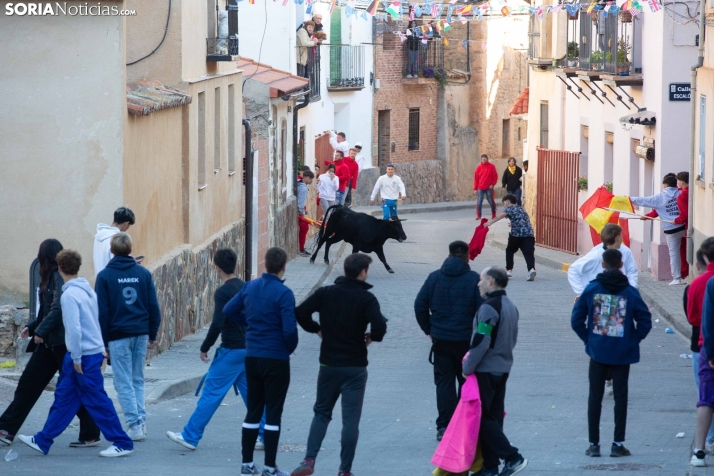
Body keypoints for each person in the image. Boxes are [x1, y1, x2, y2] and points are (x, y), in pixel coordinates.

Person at [17, 249, 134, 458]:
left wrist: (77, 358)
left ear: (59, 267)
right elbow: (95, 321)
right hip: (88, 354)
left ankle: (122, 442)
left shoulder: (69, 295)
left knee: (96, 401)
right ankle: (43, 440)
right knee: (64, 397)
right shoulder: (87, 290)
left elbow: (74, 330)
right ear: (77, 267)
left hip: (82, 356)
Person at [290, 254, 387, 476]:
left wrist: (317, 329)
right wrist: (371, 337)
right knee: (350, 420)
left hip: (329, 364)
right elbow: (380, 326)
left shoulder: (326, 293)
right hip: (355, 367)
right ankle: (344, 470)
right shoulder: (367, 299)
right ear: (362, 272)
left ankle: (309, 460)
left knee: (321, 413)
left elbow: (300, 311)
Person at [0, 240, 100, 448]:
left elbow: (58, 310)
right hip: (50, 344)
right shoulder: (51, 278)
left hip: (60, 344)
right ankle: (6, 429)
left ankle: (91, 433)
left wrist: (41, 331)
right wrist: (33, 326)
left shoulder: (57, 278)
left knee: (71, 389)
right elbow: (47, 310)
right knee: (29, 385)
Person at [166, 249, 266, 451]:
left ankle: (190, 436)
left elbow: (218, 323)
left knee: (211, 394)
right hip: (250, 348)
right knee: (252, 394)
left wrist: (204, 348)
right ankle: (265, 435)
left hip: (231, 350)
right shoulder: (247, 287)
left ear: (217, 268)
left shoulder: (222, 292)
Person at [571, 249, 652, 459]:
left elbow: (576, 320)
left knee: (594, 398)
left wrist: (588, 339)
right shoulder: (631, 292)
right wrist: (633, 340)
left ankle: (594, 444)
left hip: (597, 351)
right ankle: (617, 444)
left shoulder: (591, 289)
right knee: (621, 398)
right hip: (622, 353)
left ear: (603, 264)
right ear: (622, 265)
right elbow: (645, 320)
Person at [223, 247, 297, 476]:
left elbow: (228, 310)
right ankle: (269, 467)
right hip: (276, 358)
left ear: (265, 264)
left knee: (253, 411)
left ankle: (246, 464)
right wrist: (288, 348)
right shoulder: (284, 294)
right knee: (273, 413)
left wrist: (249, 322)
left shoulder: (250, 287)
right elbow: (289, 330)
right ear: (284, 266)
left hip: (252, 356)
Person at [414, 241, 484, 441]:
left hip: (441, 341)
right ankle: (465, 426)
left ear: (449, 254)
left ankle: (444, 426)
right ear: (467, 256)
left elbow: (420, 306)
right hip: (466, 342)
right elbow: (483, 311)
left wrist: (429, 330)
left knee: (444, 384)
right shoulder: (474, 280)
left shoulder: (434, 278)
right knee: (467, 383)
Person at [95, 233, 161, 441]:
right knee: (137, 379)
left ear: (112, 250)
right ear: (130, 249)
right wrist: (152, 333)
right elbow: (153, 306)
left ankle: (134, 425)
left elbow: (102, 312)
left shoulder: (105, 276)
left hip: (118, 334)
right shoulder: (143, 273)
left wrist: (102, 342)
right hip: (140, 332)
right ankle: (140, 421)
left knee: (122, 381)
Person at [462, 267, 527, 476]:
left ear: (490, 281)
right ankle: (490, 467)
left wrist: (468, 366)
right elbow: (512, 338)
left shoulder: (489, 308)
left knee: (482, 418)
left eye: (481, 280)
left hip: (487, 370)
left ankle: (512, 457)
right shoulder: (510, 305)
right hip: (503, 368)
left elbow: (481, 340)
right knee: (495, 417)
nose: (478, 284)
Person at [631, 174, 685, 285]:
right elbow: (657, 211)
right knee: (685, 251)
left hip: (671, 229)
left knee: (674, 253)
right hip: (683, 226)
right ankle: (686, 275)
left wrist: (627, 199)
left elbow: (643, 200)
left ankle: (677, 278)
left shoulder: (659, 197)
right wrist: (647, 216)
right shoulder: (681, 193)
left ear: (665, 184)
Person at [688, 239, 714, 466]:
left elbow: (697, 319)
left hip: (706, 347)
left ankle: (699, 451)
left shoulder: (702, 284)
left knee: (705, 398)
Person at [568, 224, 639, 297]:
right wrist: (582, 293)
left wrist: (632, 289)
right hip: (599, 296)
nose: (622, 238)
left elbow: (632, 271)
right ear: (617, 238)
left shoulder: (626, 251)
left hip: (619, 295)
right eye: (621, 235)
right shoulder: (596, 254)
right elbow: (573, 269)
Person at [483, 194, 536, 281]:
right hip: (529, 234)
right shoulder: (521, 208)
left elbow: (499, 216)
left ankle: (509, 270)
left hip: (516, 235)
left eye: (504, 203)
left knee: (509, 251)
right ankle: (531, 270)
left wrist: (490, 223)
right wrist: (512, 223)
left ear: (507, 202)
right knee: (528, 253)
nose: (504, 205)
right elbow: (523, 219)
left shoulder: (509, 208)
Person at [94, 206, 136, 276]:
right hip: (114, 281)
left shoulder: (99, 236)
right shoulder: (116, 239)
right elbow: (119, 264)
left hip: (100, 279)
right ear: (127, 223)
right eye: (129, 225)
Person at [473, 154, 498, 219]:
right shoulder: (478, 168)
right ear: (481, 160)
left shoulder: (491, 166)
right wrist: (475, 189)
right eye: (482, 159)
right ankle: (478, 215)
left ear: (487, 159)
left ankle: (493, 213)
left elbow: (495, 176)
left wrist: (492, 184)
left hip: (488, 187)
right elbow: (476, 179)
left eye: (485, 159)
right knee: (479, 201)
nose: (484, 160)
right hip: (480, 187)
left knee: (490, 200)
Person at [298, 171, 314, 258]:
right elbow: (300, 204)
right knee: (304, 227)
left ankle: (301, 248)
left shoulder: (298, 183)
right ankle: (301, 248)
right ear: (307, 178)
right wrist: (302, 212)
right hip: (299, 212)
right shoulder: (303, 188)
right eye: (310, 179)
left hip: (299, 210)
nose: (311, 181)